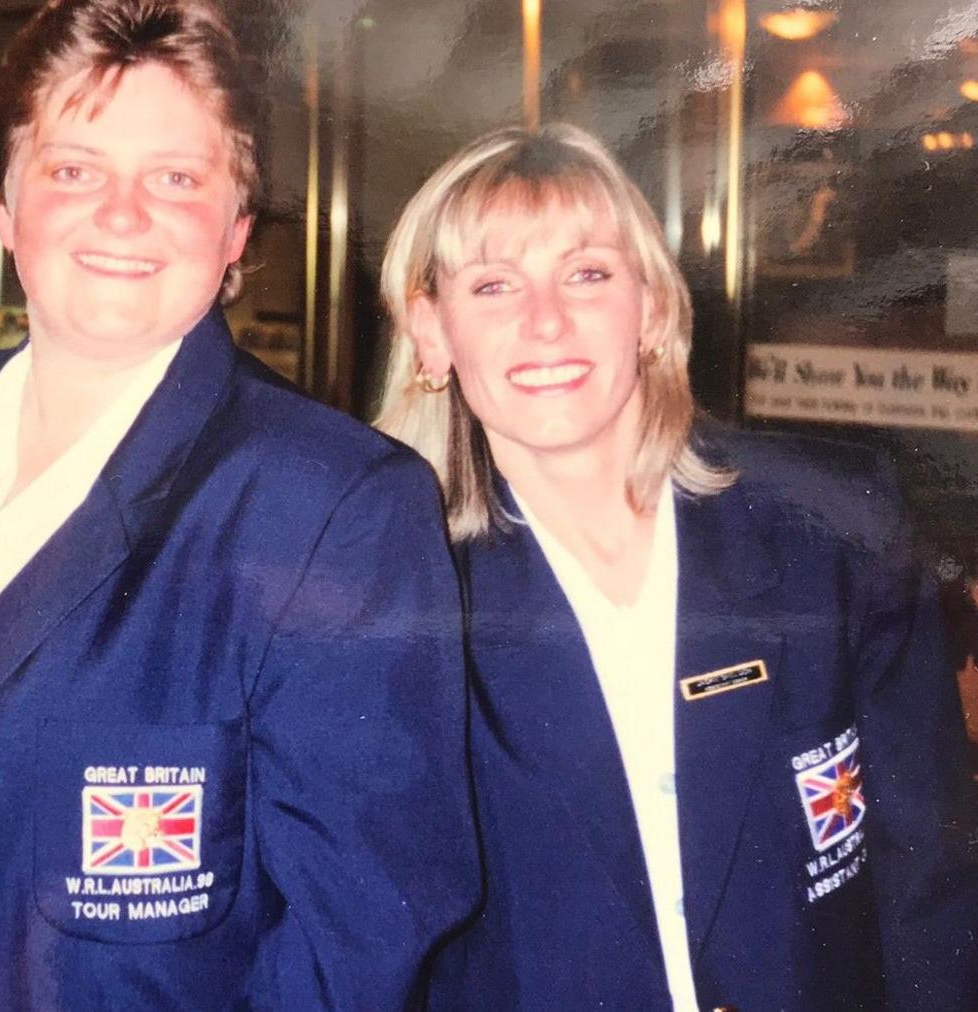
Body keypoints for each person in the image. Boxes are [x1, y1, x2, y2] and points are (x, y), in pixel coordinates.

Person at [0, 0, 478, 1007]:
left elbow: (364, 929)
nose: (122, 215)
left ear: (237, 228)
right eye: (74, 169)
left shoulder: (334, 504)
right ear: (2, 209)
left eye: (176, 178)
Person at [376, 123, 978, 1010]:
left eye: (587, 274)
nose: (545, 321)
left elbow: (929, 885)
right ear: (432, 332)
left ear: (652, 307)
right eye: (495, 284)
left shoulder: (832, 526)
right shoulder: (390, 586)